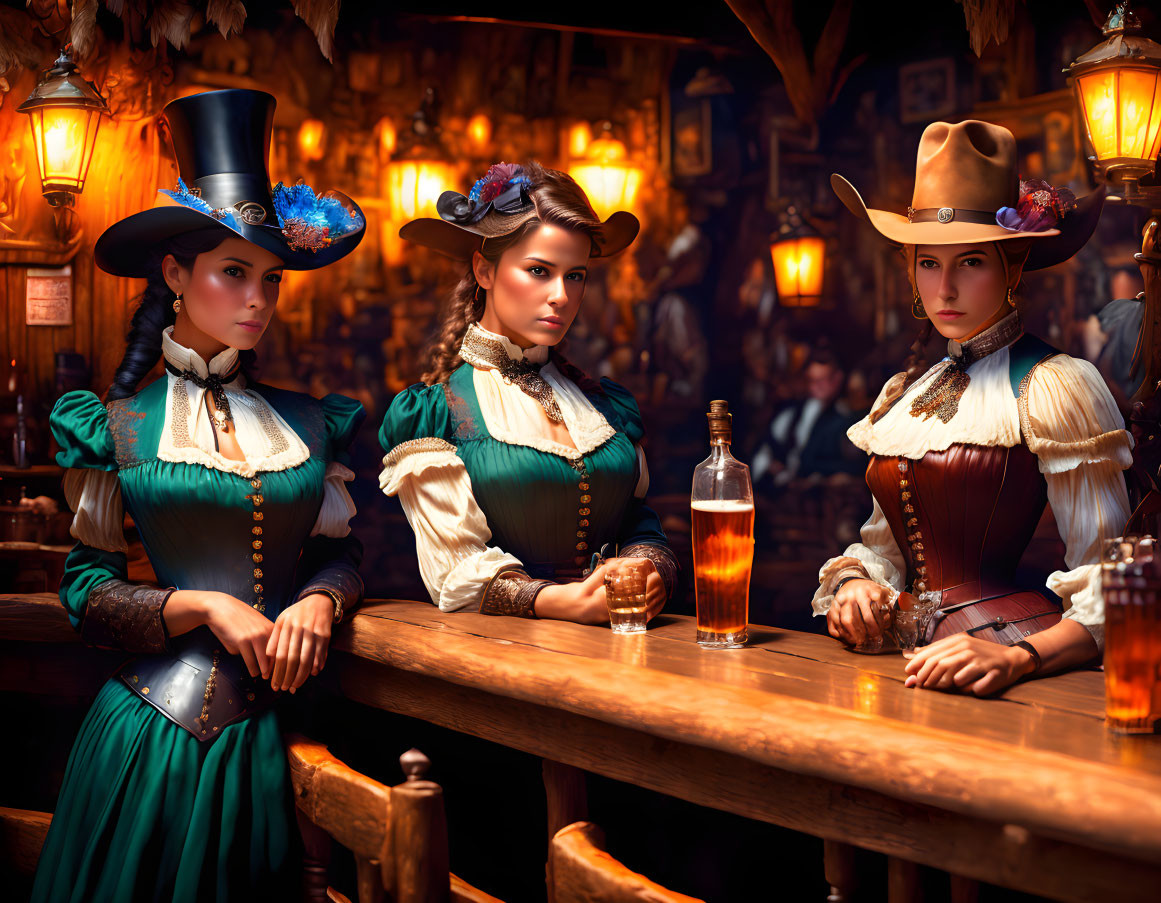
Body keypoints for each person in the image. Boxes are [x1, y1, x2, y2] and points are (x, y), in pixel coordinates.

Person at [32, 89, 366, 902]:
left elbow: (341, 552)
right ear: (176, 274)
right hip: (152, 737)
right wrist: (207, 608)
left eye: (270, 277)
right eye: (233, 272)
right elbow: (87, 593)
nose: (258, 298)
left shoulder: (306, 421)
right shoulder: (115, 427)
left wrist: (320, 600)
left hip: (278, 738)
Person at [812, 120, 1127, 696]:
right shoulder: (904, 390)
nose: (945, 289)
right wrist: (856, 584)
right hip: (906, 662)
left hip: (1009, 662)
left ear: (1012, 270)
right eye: (929, 263)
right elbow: (884, 548)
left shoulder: (1056, 384)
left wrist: (1019, 659)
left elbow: (1114, 582)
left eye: (971, 262)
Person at [379, 162, 678, 622]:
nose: (561, 294)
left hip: (622, 645)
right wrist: (557, 602)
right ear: (484, 270)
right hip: (505, 656)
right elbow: (453, 569)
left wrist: (651, 567)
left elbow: (637, 520)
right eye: (539, 270)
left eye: (575, 275)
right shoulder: (435, 410)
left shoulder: (605, 404)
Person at [751, 347, 864, 486]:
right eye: (812, 381)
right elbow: (769, 444)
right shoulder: (793, 412)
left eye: (821, 381)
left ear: (837, 378)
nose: (815, 387)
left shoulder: (848, 416)